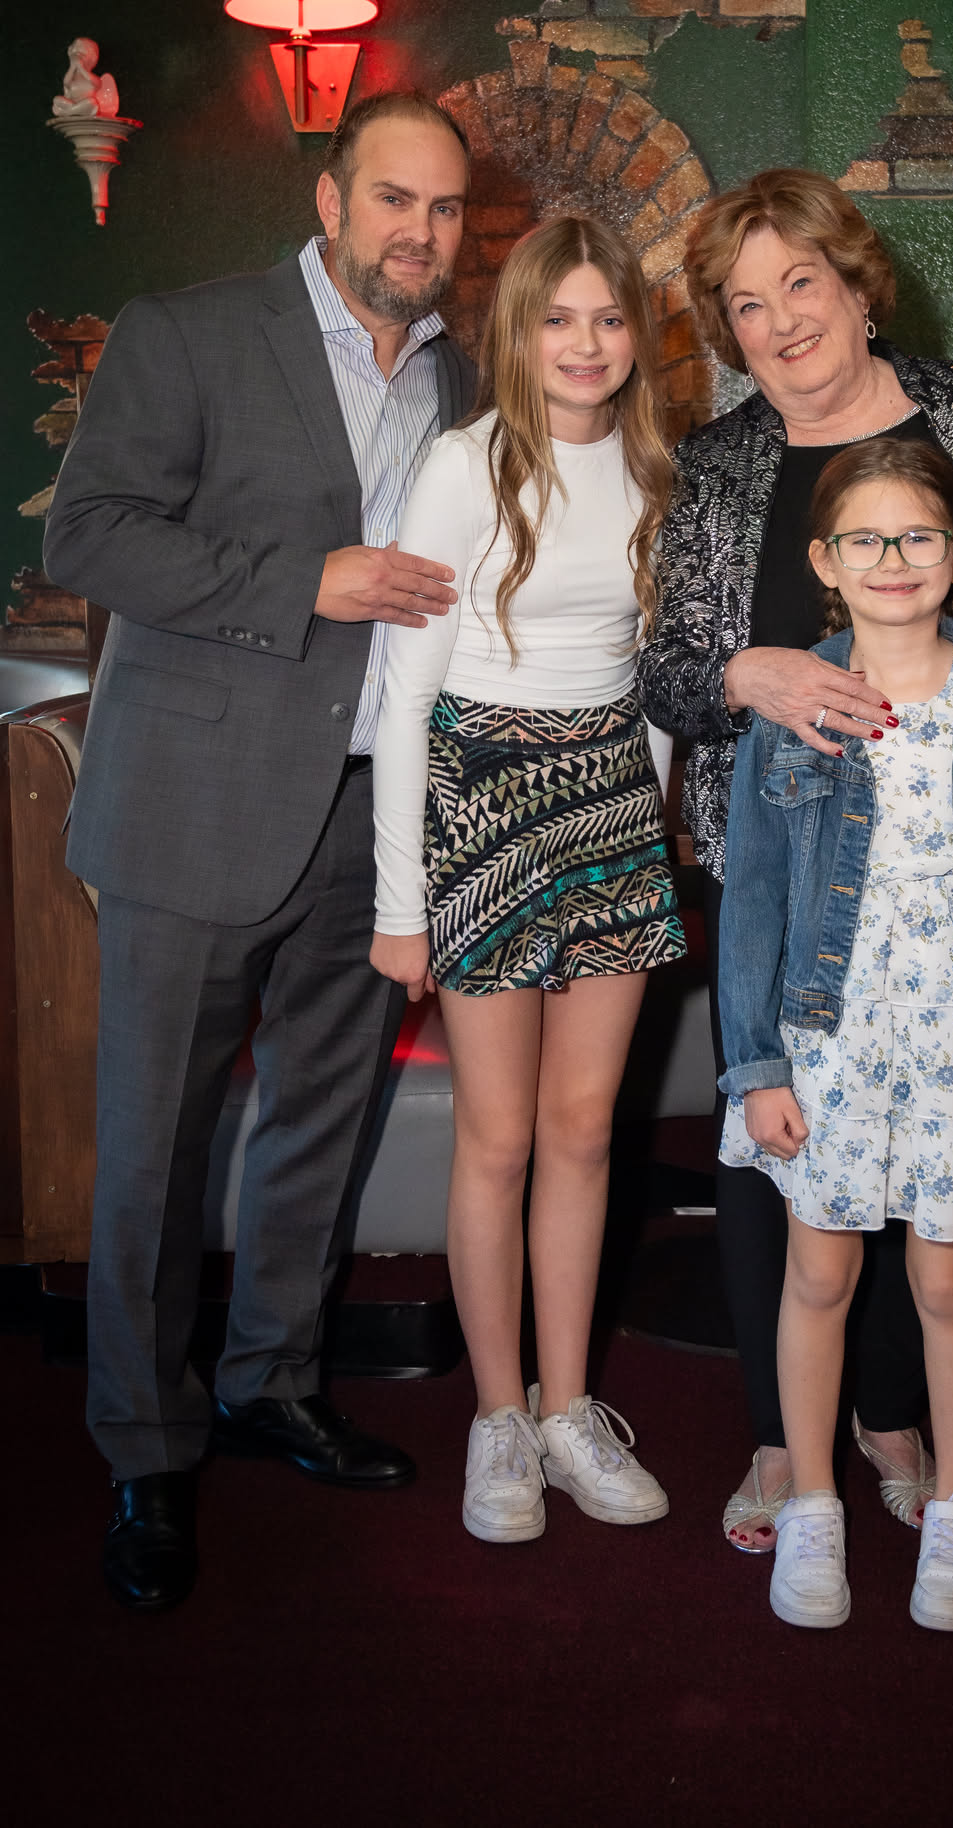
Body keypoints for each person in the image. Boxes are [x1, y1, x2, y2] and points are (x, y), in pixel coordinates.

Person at [44, 89, 478, 1612]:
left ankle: (272, 1381)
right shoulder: (188, 331)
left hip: (372, 817)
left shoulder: (464, 376)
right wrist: (309, 578)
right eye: (393, 199)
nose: (419, 232)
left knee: (322, 1124)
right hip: (193, 806)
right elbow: (87, 535)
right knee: (155, 1149)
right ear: (331, 199)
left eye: (444, 208)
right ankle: (146, 1445)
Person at [637, 168, 953, 1553]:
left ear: (859, 287)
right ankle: (781, 1433)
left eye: (799, 282)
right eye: (746, 305)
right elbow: (668, 670)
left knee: (936, 1157)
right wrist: (742, 673)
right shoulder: (721, 464)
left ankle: (893, 1415)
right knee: (781, 1147)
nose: (781, 321)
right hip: (785, 871)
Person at [718, 436, 953, 1628]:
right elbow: (754, 899)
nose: (894, 558)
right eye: (866, 538)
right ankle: (813, 1504)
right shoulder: (793, 704)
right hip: (827, 1040)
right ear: (826, 561)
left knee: (948, 1280)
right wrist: (756, 1066)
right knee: (818, 1273)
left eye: (919, 535)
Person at [370, 215, 686, 1546]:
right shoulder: (465, 464)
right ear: (519, 332)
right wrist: (402, 906)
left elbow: (654, 686)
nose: (585, 342)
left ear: (637, 334)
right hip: (484, 803)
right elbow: (404, 699)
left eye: (607, 317)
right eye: (558, 318)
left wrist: (646, 831)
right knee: (497, 1137)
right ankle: (498, 1416)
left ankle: (568, 1408)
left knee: (584, 1129)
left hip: (610, 804)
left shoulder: (658, 469)